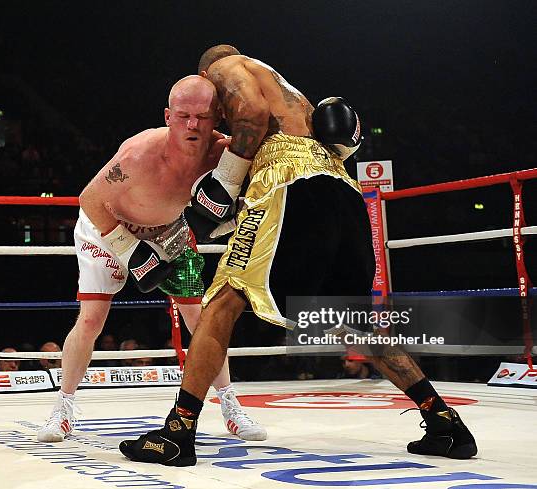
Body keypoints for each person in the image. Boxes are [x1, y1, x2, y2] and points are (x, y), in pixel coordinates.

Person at [120, 45, 477, 466]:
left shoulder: (223, 68)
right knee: (351, 319)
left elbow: (250, 116)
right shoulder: (284, 86)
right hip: (341, 187)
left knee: (222, 303)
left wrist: (226, 182)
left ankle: (177, 433)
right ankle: (444, 422)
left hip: (286, 181)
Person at [38, 75, 265, 443]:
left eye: (202, 117)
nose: (193, 125)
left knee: (204, 320)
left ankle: (231, 405)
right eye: (183, 115)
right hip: (108, 227)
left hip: (168, 230)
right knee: (92, 318)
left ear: (217, 117)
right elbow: (90, 200)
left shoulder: (224, 157)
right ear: (167, 116)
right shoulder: (138, 155)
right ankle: (62, 408)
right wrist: (129, 248)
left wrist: (227, 221)